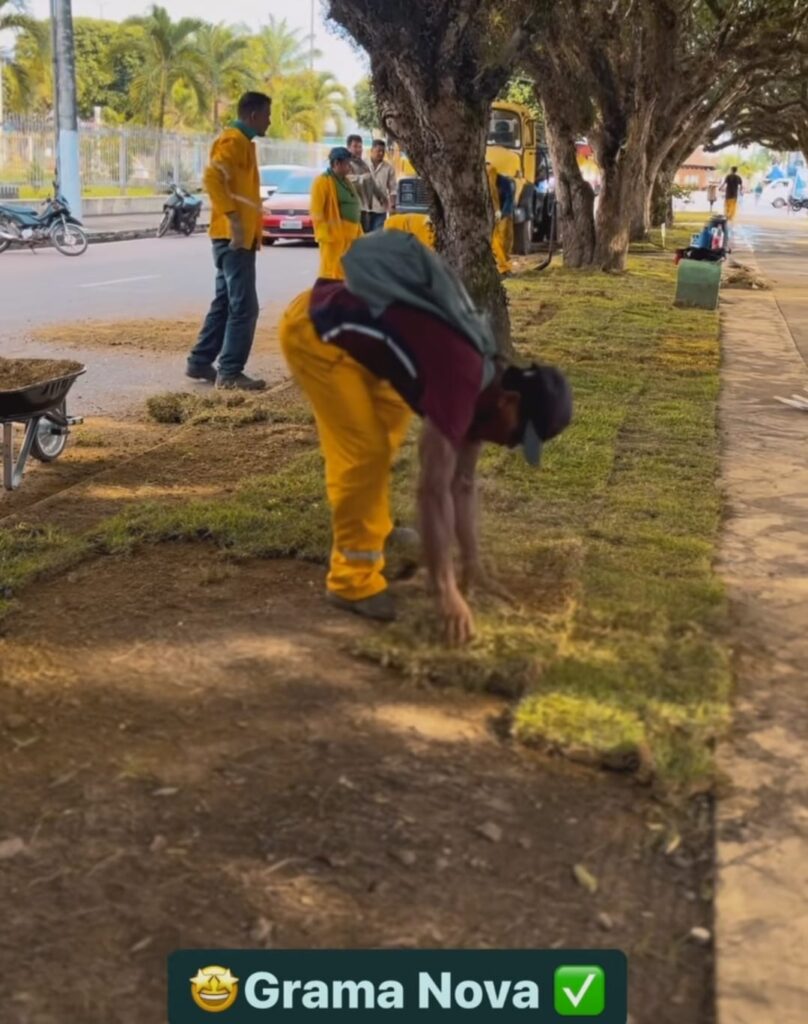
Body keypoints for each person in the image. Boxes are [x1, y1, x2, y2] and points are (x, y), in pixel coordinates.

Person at [278, 230, 572, 645]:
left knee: (385, 436)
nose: (508, 444)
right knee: (365, 454)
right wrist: (445, 589)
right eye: (517, 435)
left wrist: (472, 562)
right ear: (510, 402)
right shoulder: (462, 379)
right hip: (316, 333)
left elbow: (462, 483)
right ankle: (352, 581)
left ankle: (374, 529)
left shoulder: (489, 394)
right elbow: (432, 491)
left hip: (361, 353)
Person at [186, 91, 271, 390]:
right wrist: (234, 218)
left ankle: (200, 361)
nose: (269, 122)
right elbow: (212, 178)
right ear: (253, 115)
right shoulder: (234, 140)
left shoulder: (243, 142)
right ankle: (231, 372)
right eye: (267, 115)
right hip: (233, 238)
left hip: (234, 237)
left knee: (225, 302)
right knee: (245, 307)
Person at [310, 147, 364, 281]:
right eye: (347, 164)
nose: (349, 167)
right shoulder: (322, 182)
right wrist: (324, 234)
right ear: (336, 163)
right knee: (331, 272)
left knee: (348, 272)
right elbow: (316, 210)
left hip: (351, 235)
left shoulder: (345, 181)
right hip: (333, 236)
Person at [346, 134, 388, 233]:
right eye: (355, 146)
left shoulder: (363, 164)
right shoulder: (346, 164)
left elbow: (371, 182)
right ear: (348, 148)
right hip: (353, 209)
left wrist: (380, 197)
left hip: (366, 210)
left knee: (366, 237)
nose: (358, 149)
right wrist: (361, 178)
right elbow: (347, 180)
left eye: (360, 146)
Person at [367, 139, 397, 231]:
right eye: (378, 151)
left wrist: (392, 206)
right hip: (364, 210)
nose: (381, 153)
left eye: (383, 151)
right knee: (364, 236)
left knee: (377, 236)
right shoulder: (363, 164)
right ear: (372, 150)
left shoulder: (389, 168)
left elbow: (393, 189)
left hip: (380, 210)